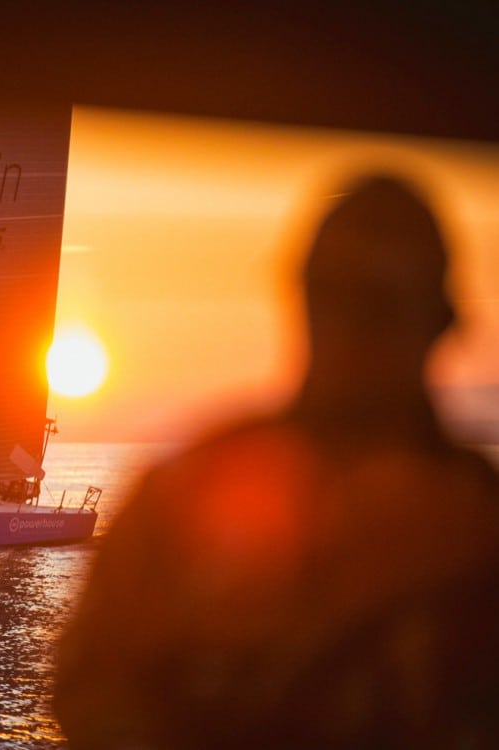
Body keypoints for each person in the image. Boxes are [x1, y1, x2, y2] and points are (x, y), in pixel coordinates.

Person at [53, 173, 499, 749]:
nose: (349, 326)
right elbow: (89, 690)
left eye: (377, 303)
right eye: (333, 293)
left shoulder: (480, 528)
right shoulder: (187, 491)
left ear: (439, 320)